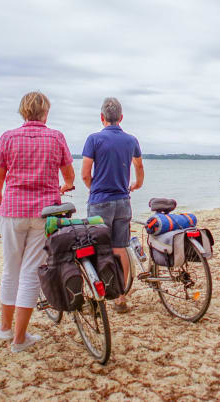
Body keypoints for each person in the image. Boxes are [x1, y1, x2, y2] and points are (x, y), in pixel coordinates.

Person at [0, 91, 75, 352]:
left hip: (12, 210)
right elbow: (69, 175)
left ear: (23, 112)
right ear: (45, 113)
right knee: (30, 271)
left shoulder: (8, 137)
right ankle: (19, 338)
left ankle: (4, 328)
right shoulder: (56, 137)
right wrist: (64, 187)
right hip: (45, 213)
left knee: (10, 268)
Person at [82, 97, 144, 313]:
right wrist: (137, 184)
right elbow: (138, 165)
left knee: (95, 249)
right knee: (120, 248)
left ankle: (96, 297)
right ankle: (120, 297)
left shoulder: (94, 139)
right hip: (122, 200)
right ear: (121, 117)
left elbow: (85, 174)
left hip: (100, 201)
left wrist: (94, 188)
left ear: (102, 118)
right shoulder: (131, 140)